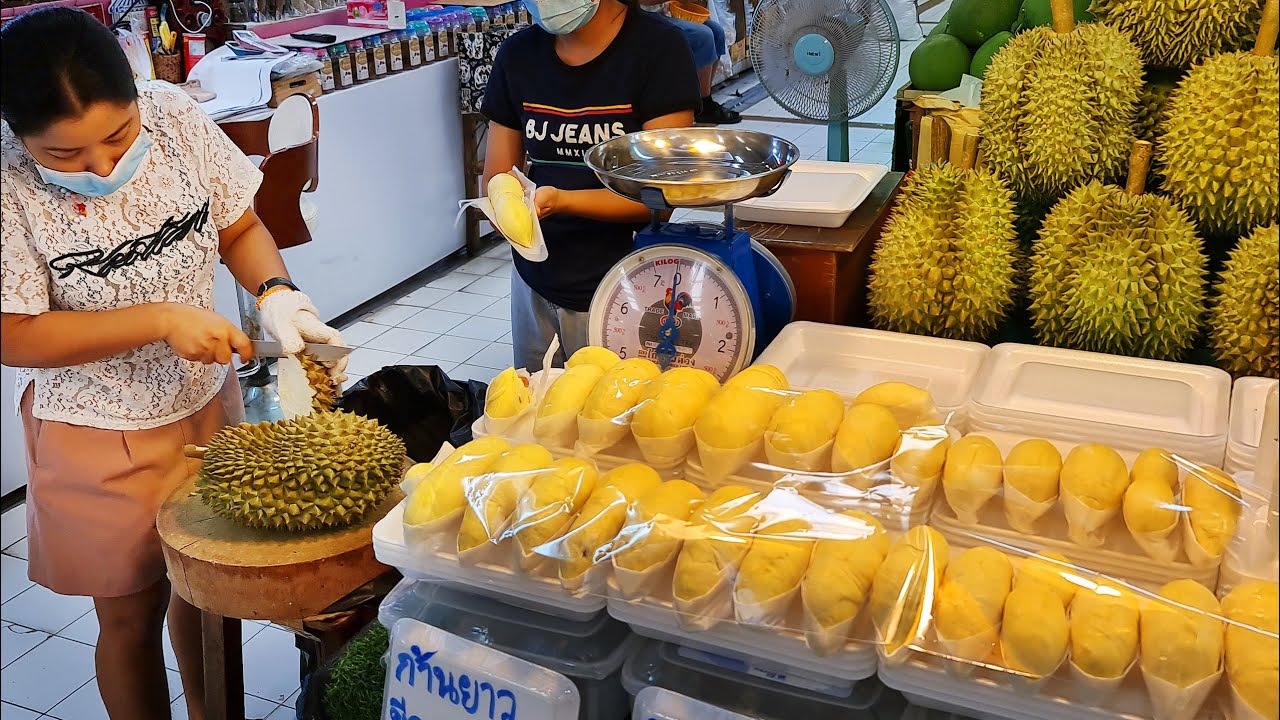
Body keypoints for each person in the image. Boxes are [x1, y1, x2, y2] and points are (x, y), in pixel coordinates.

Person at [0, 9, 346, 719]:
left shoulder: (174, 117)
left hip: (204, 405)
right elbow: (13, 333)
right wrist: (159, 320)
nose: (101, 166)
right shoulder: (7, 184)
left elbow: (239, 226)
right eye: (64, 154)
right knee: (130, 617)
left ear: (137, 97)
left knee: (206, 594)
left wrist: (277, 293)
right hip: (96, 431)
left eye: (117, 136)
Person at [482, 0, 700, 370]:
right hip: (535, 280)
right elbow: (497, 178)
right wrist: (504, 209)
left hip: (626, 285)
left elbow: (659, 196)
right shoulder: (517, 55)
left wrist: (563, 201)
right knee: (539, 401)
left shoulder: (659, 49)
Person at [640, 0, 740, 124]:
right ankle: (704, 105)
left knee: (717, 31)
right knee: (703, 36)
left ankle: (703, 99)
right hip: (641, 18)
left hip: (662, 13)